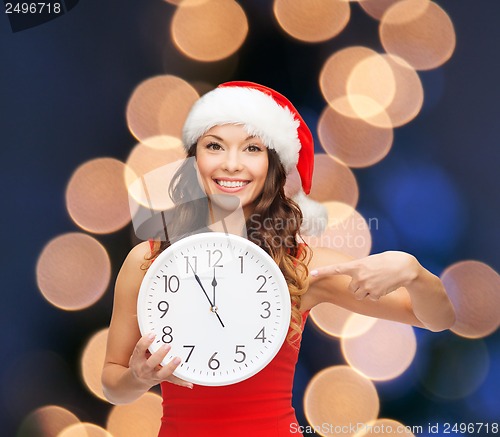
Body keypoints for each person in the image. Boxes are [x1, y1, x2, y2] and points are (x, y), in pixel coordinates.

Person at [102, 81, 456, 436]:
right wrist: (137, 377)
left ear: (273, 164)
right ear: (196, 158)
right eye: (215, 146)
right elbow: (112, 384)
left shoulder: (301, 265)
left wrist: (413, 273)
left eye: (252, 148)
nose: (231, 164)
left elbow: (437, 318)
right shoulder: (149, 261)